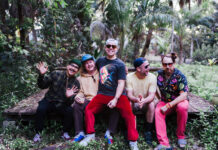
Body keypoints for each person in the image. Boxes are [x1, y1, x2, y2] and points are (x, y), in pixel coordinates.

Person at [79, 38, 139, 150]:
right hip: (102, 94)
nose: (111, 48)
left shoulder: (120, 64)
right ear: (105, 47)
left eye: (113, 46)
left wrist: (116, 99)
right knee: (89, 110)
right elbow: (90, 67)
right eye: (108, 46)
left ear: (117, 49)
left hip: (119, 95)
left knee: (129, 116)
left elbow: (121, 83)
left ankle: (133, 141)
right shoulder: (100, 61)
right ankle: (90, 135)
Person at [71, 54, 120, 144]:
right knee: (77, 105)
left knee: (117, 105)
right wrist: (78, 96)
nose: (89, 65)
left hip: (103, 100)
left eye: (90, 62)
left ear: (94, 62)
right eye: (86, 63)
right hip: (89, 101)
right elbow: (81, 91)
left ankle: (110, 132)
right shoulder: (80, 78)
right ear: (84, 66)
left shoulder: (103, 72)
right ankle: (80, 133)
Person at [33, 59, 81, 142]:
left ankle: (65, 132)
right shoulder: (56, 73)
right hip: (49, 100)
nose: (73, 68)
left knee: (70, 111)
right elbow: (42, 86)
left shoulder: (76, 83)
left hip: (62, 103)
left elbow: (70, 102)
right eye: (72, 66)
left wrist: (68, 97)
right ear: (67, 66)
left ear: (78, 71)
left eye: (76, 67)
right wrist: (41, 75)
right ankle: (38, 133)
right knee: (41, 109)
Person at [154, 53, 189, 150]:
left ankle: (181, 135)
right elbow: (152, 86)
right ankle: (164, 143)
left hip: (179, 101)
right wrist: (157, 98)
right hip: (165, 101)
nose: (168, 66)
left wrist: (169, 105)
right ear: (162, 64)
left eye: (170, 64)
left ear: (174, 63)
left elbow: (184, 95)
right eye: (165, 64)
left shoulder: (180, 76)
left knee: (183, 107)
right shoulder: (159, 74)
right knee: (158, 111)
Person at [126, 57, 157, 146]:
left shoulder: (152, 77)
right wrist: (136, 100)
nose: (149, 68)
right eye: (146, 67)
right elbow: (129, 95)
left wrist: (143, 100)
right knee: (129, 103)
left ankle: (148, 131)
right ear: (138, 69)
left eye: (149, 66)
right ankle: (130, 129)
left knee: (151, 104)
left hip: (146, 102)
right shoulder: (129, 77)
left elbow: (151, 96)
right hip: (134, 101)